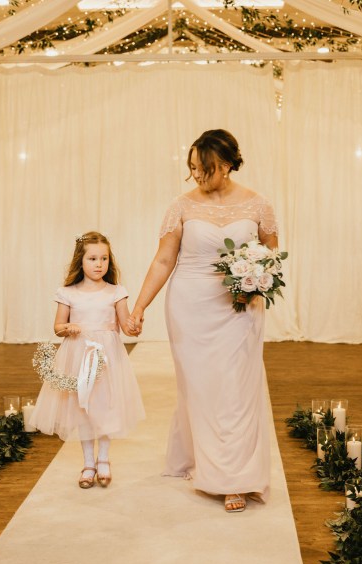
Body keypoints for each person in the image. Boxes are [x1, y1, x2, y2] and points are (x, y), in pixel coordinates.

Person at [130, 129, 278, 512]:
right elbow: (164, 260)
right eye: (192, 167)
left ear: (226, 164)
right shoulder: (181, 206)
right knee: (199, 387)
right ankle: (206, 461)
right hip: (190, 306)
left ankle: (234, 478)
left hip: (240, 307)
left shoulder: (259, 205)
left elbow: (270, 259)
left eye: (204, 168)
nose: (196, 175)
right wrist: (139, 307)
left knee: (236, 389)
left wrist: (256, 284)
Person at [30, 232, 145, 489]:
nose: (99, 264)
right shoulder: (68, 293)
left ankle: (104, 459)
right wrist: (68, 328)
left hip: (108, 358)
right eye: (92, 258)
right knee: (83, 408)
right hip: (79, 356)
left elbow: (126, 327)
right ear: (80, 261)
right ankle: (88, 462)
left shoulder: (116, 292)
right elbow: (57, 327)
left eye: (104, 258)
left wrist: (135, 326)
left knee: (105, 405)